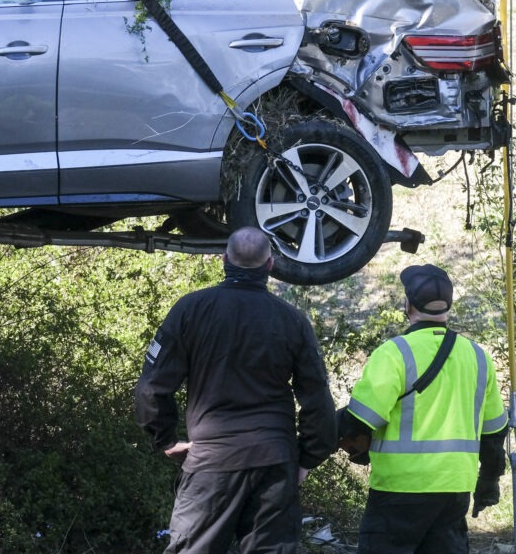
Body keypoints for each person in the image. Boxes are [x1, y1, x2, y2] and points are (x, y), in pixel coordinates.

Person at [134, 226, 337, 553]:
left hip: (210, 461)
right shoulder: (292, 320)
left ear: (224, 260)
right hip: (275, 462)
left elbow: (151, 387)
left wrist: (166, 440)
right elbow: (317, 398)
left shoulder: (190, 310)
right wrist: (309, 457)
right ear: (270, 265)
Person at [339, 264, 508, 554]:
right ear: (449, 306)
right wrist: (489, 482)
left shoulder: (394, 353)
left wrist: (311, 446)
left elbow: (359, 420)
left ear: (408, 304)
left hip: (398, 490)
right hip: (454, 490)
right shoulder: (478, 357)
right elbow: (494, 432)